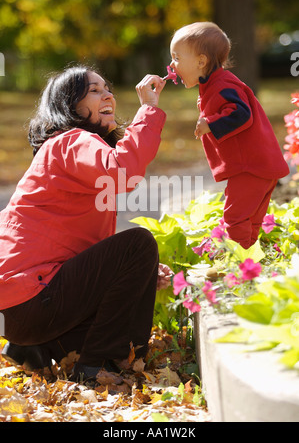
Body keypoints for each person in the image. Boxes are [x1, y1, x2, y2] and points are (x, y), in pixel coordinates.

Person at [0, 64, 173, 381]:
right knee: (139, 243)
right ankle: (97, 366)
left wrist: (141, 272)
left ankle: (33, 349)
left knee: (137, 255)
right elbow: (125, 171)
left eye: (108, 88)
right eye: (94, 90)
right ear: (69, 105)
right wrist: (148, 109)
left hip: (22, 310)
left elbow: (85, 254)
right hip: (34, 299)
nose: (108, 94)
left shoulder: (68, 152)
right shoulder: (70, 142)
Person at [169, 22, 289, 250]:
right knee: (250, 221)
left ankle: (236, 266)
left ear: (201, 61)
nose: (172, 65)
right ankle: (251, 264)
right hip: (259, 167)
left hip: (250, 168)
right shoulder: (215, 84)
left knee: (234, 219)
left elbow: (242, 114)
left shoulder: (222, 85)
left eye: (176, 58)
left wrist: (210, 123)